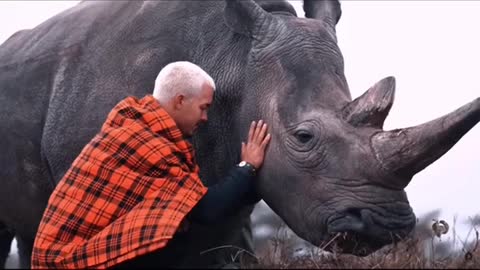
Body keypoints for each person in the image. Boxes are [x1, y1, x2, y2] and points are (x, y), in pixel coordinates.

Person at [31, 61, 271, 269]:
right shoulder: (144, 143)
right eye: (203, 108)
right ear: (179, 101)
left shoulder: (136, 128)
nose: (205, 118)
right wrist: (247, 166)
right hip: (67, 261)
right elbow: (205, 209)